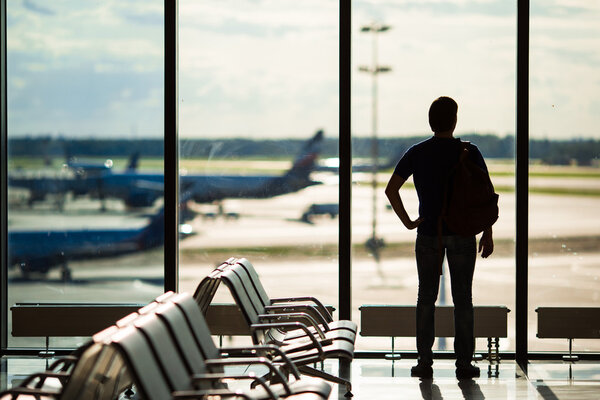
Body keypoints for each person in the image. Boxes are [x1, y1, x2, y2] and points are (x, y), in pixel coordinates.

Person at [385, 96, 494, 379]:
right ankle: (464, 364)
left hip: (429, 234)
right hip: (462, 234)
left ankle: (424, 362)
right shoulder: (469, 151)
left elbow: (391, 190)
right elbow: (485, 197)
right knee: (463, 300)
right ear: (454, 121)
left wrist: (409, 221)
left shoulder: (417, 152)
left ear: (431, 122)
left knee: (426, 297)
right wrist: (487, 231)